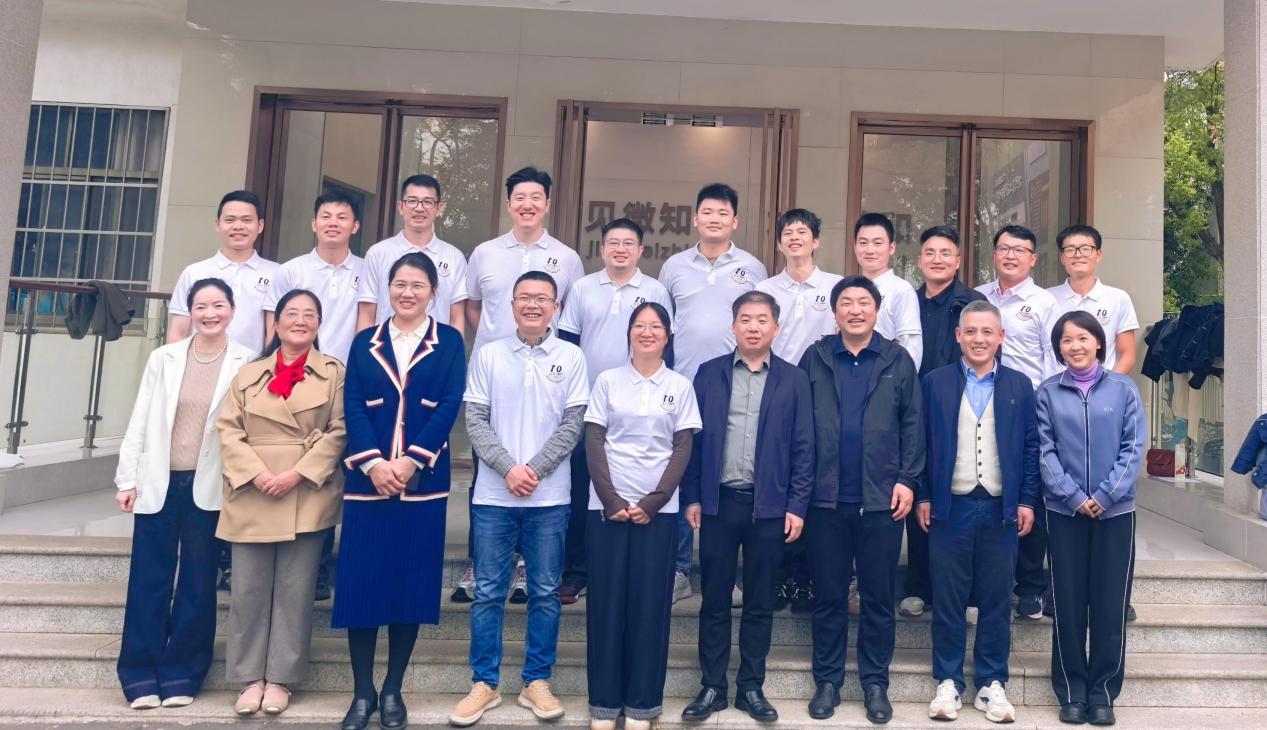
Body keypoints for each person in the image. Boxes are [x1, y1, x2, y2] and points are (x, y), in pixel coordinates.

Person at [451, 271, 589, 727]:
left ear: (555, 307)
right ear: (511, 305)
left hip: (550, 498)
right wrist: (509, 468)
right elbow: (475, 419)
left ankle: (536, 681)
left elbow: (573, 423)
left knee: (545, 592)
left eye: (542, 298)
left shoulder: (571, 357)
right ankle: (484, 683)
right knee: (489, 592)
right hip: (494, 496)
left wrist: (534, 470)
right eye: (524, 297)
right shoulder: (489, 354)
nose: (533, 304)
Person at [336, 252, 467, 730]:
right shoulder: (364, 342)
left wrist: (412, 460)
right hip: (367, 483)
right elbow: (352, 405)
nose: (407, 293)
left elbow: (449, 405)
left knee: (409, 588)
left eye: (417, 285)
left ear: (433, 292)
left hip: (422, 484)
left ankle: (392, 689)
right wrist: (374, 464)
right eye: (399, 284)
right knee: (361, 587)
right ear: (387, 289)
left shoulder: (449, 341)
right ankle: (362, 692)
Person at [114, 278, 253, 710]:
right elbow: (140, 418)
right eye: (201, 306)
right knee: (148, 579)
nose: (210, 314)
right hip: (159, 481)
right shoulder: (165, 358)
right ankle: (139, 674)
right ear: (190, 312)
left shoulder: (248, 361)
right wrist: (127, 479)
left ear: (232, 310)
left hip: (209, 485)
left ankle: (182, 673)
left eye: (218, 305)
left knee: (198, 581)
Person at [679, 291, 813, 725]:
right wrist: (693, 496)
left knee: (759, 601)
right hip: (719, 504)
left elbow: (804, 448)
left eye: (762, 320)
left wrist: (797, 505)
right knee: (714, 599)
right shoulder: (709, 373)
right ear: (733, 325)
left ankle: (751, 685)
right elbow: (692, 440)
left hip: (769, 508)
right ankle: (712, 685)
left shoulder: (794, 379)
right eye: (745, 319)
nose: (753, 327)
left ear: (776, 327)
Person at [455, 166, 585, 603]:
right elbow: (474, 307)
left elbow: (567, 315)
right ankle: (479, 562)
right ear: (509, 203)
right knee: (487, 467)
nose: (527, 204)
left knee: (541, 456)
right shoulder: (484, 253)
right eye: (519, 197)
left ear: (547, 203)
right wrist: (498, 344)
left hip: (547, 374)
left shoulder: (567, 258)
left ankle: (529, 565)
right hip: (496, 374)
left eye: (536, 197)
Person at [216, 289, 347, 718]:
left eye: (310, 315)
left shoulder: (334, 373)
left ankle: (281, 679)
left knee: (295, 590)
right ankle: (249, 678)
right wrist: (257, 473)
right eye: (292, 313)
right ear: (276, 323)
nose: (300, 321)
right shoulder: (248, 373)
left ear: (319, 324)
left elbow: (340, 430)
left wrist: (297, 473)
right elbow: (228, 429)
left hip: (305, 491)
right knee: (248, 590)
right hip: (252, 490)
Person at [800, 275, 924, 724]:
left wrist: (908, 479)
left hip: (881, 501)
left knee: (877, 596)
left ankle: (875, 683)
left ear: (876, 310)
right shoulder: (815, 357)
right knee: (829, 595)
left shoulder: (896, 358)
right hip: (826, 500)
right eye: (846, 303)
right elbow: (799, 425)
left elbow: (914, 424)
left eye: (863, 303)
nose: (855, 310)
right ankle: (828, 681)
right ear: (835, 312)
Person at [916, 300, 1040, 724]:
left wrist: (1026, 500)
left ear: (1001, 337)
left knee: (996, 597)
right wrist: (924, 495)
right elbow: (922, 444)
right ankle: (948, 680)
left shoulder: (1020, 385)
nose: (979, 339)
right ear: (958, 336)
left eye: (987, 331)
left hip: (1000, 509)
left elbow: (1030, 447)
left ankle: (991, 682)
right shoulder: (935, 382)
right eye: (970, 331)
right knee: (947, 598)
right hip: (950, 506)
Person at [584, 302, 701, 730]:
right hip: (607, 511)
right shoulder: (608, 381)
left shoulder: (680, 386)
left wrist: (654, 501)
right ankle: (604, 704)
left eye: (655, 326)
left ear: (668, 336)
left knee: (650, 609)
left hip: (660, 513)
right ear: (629, 333)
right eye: (639, 326)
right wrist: (611, 499)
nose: (647, 332)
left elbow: (682, 448)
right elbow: (594, 441)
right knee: (606, 607)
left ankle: (642, 706)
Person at [659, 182, 768, 605]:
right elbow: (664, 327)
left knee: (731, 474)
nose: (714, 219)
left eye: (723, 212)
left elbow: (759, 322)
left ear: (735, 221)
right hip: (684, 384)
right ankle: (678, 569)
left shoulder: (752, 267)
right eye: (707, 211)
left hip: (736, 385)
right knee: (685, 471)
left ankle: (730, 575)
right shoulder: (674, 266)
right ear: (695, 218)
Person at [167, 189, 279, 593]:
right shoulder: (194, 272)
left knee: (240, 467)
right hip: (200, 384)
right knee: (202, 467)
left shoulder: (275, 274)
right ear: (217, 224)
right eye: (230, 219)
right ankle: (201, 557)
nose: (238, 227)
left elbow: (273, 332)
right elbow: (178, 329)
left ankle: (231, 557)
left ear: (260, 226)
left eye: (246, 220)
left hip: (251, 383)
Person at [557, 218, 672, 605]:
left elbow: (665, 347)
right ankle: (576, 570)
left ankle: (628, 569)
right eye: (613, 243)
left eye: (628, 243)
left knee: (633, 483)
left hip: (639, 407)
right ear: (602, 249)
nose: (620, 249)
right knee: (581, 489)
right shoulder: (583, 288)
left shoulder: (655, 290)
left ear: (641, 251)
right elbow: (568, 345)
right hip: (588, 405)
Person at [1037, 311, 1144, 727]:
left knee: (1109, 605)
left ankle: (1102, 693)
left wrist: (1103, 495)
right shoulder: (1048, 392)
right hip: (1064, 512)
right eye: (1067, 340)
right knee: (1066, 604)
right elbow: (1044, 450)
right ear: (1058, 348)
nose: (1075, 346)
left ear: (1099, 342)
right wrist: (1074, 496)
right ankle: (1071, 692)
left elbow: (1133, 447)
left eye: (1083, 338)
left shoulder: (1123, 389)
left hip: (1115, 513)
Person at [264, 191, 367, 602]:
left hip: (349, 381)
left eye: (342, 217)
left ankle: (333, 563)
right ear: (313, 223)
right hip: (299, 382)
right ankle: (301, 564)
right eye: (326, 216)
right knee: (302, 470)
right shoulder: (291, 271)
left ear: (355, 226)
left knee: (340, 473)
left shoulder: (368, 270)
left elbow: (368, 323)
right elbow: (273, 327)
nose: (333, 223)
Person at [756, 208, 841, 614]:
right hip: (774, 391)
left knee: (811, 482)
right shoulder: (764, 288)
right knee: (775, 481)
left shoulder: (835, 286)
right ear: (779, 243)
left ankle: (805, 579)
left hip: (821, 394)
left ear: (816, 241)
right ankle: (776, 576)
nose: (794, 238)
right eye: (787, 233)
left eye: (802, 232)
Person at [976, 224, 1060, 621]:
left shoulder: (1045, 303)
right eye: (1004, 248)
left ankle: (1029, 586)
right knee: (986, 490)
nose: (1011, 255)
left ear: (1033, 258)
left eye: (1019, 250)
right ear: (994, 254)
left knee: (1029, 493)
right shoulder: (977, 297)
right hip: (978, 406)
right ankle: (986, 581)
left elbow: (1053, 359)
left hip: (1028, 408)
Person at [901, 225, 985, 619]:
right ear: (920, 260)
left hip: (962, 411)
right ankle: (918, 586)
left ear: (958, 260)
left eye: (946, 252)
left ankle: (965, 592)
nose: (938, 259)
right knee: (919, 491)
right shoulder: (907, 301)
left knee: (961, 500)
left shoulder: (973, 303)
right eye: (930, 252)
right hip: (912, 411)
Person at [357, 173, 469, 334]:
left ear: (439, 209)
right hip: (385, 347)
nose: (419, 208)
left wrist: (454, 348)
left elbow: (456, 318)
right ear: (401, 207)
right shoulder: (378, 253)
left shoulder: (454, 257)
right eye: (412, 201)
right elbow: (367, 315)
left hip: (437, 347)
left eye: (427, 202)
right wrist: (364, 348)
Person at [1048, 224, 1140, 374]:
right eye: (1070, 250)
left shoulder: (1118, 298)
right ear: (1062, 258)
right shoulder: (1046, 298)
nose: (1078, 255)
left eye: (1085, 249)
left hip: (1104, 385)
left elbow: (1127, 356)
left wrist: (1106, 385)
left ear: (1098, 255)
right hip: (1057, 386)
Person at [854, 213, 922, 369]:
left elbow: (911, 347)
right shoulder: (848, 291)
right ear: (855, 247)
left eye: (877, 243)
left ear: (891, 248)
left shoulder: (901, 290)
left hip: (886, 378)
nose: (870, 250)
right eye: (863, 243)